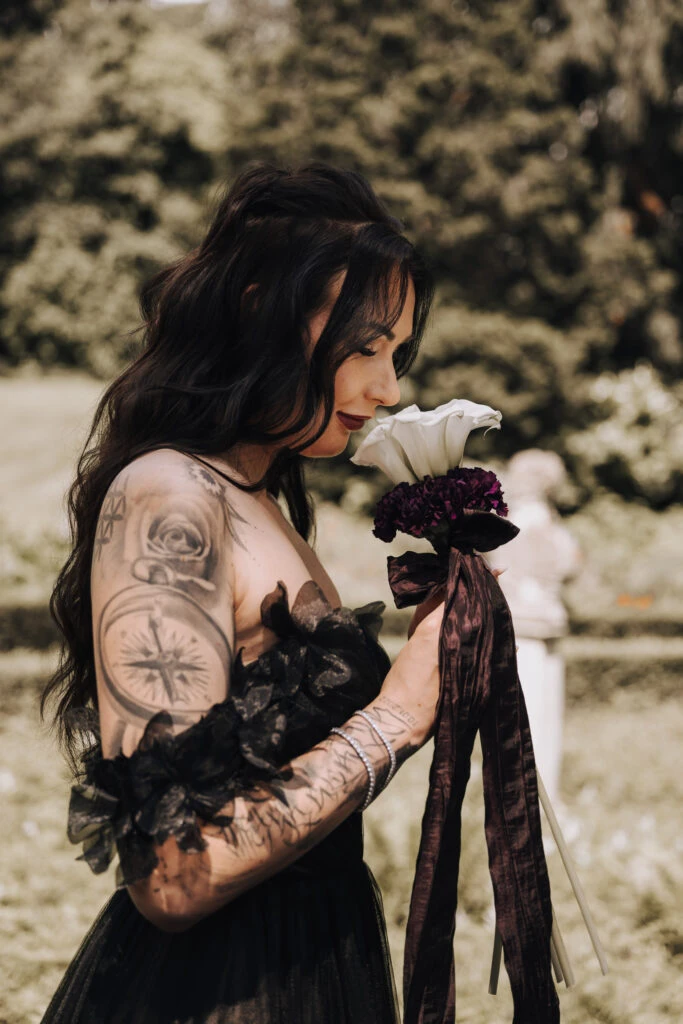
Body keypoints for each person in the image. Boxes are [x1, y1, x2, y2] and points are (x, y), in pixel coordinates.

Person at [39, 161, 475, 1023]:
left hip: (316, 958)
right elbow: (172, 872)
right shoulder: (170, 495)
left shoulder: (259, 499)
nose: (388, 390)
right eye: (362, 348)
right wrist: (395, 717)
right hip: (216, 990)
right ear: (256, 312)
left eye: (396, 353)